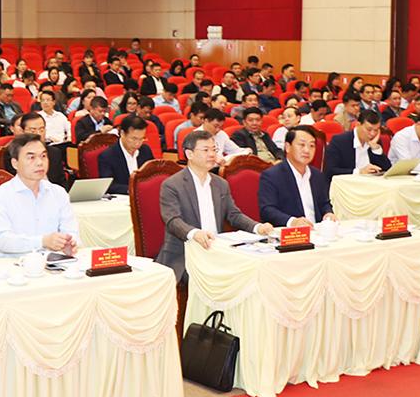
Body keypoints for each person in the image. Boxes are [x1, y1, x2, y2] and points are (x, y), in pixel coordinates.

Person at [156, 132, 274, 281]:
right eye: (206, 150)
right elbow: (172, 220)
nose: (212, 154)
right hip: (185, 253)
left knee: (253, 271)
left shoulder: (220, 184)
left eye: (214, 150)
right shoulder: (172, 185)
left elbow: (233, 215)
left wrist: (258, 227)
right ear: (189, 154)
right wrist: (195, 233)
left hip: (217, 251)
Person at [0, 134, 79, 258]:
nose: (40, 163)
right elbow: (2, 240)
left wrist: (69, 244)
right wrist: (43, 241)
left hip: (53, 264)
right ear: (15, 163)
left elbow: (71, 231)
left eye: (43, 156)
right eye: (31, 157)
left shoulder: (58, 193)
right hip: (12, 268)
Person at [258, 126, 335, 226]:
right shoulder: (272, 175)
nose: (307, 150)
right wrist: (292, 221)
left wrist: (328, 213)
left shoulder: (317, 175)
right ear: (288, 147)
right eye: (302, 145)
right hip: (291, 235)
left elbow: (324, 203)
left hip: (317, 231)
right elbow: (267, 210)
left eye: (312, 146)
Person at [324, 110, 391, 181]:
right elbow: (330, 170)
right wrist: (359, 172)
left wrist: (376, 149)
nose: (372, 134)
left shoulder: (375, 141)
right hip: (348, 184)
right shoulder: (340, 141)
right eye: (369, 129)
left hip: (371, 183)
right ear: (358, 125)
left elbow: (387, 169)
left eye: (376, 130)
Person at [98, 115, 154, 195]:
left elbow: (152, 176)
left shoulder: (145, 151)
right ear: (122, 133)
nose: (137, 143)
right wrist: (133, 189)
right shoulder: (107, 156)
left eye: (142, 139)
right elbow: (109, 185)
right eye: (134, 139)